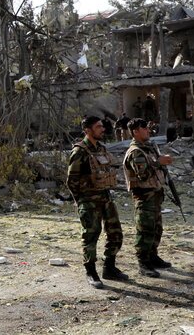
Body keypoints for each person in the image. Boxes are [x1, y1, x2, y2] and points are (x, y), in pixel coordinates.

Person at [66, 116, 128, 288]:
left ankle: (109, 268)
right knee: (91, 236)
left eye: (102, 126)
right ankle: (91, 272)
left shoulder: (101, 148)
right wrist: (81, 201)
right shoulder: (79, 152)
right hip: (89, 201)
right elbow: (71, 181)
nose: (103, 129)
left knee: (115, 233)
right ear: (88, 130)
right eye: (98, 127)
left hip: (106, 198)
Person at [123, 117, 173, 278]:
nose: (148, 130)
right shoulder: (136, 152)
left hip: (154, 195)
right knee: (145, 230)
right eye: (144, 128)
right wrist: (158, 162)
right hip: (144, 196)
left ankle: (153, 256)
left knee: (156, 228)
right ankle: (143, 263)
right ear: (136, 132)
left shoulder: (147, 148)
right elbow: (142, 174)